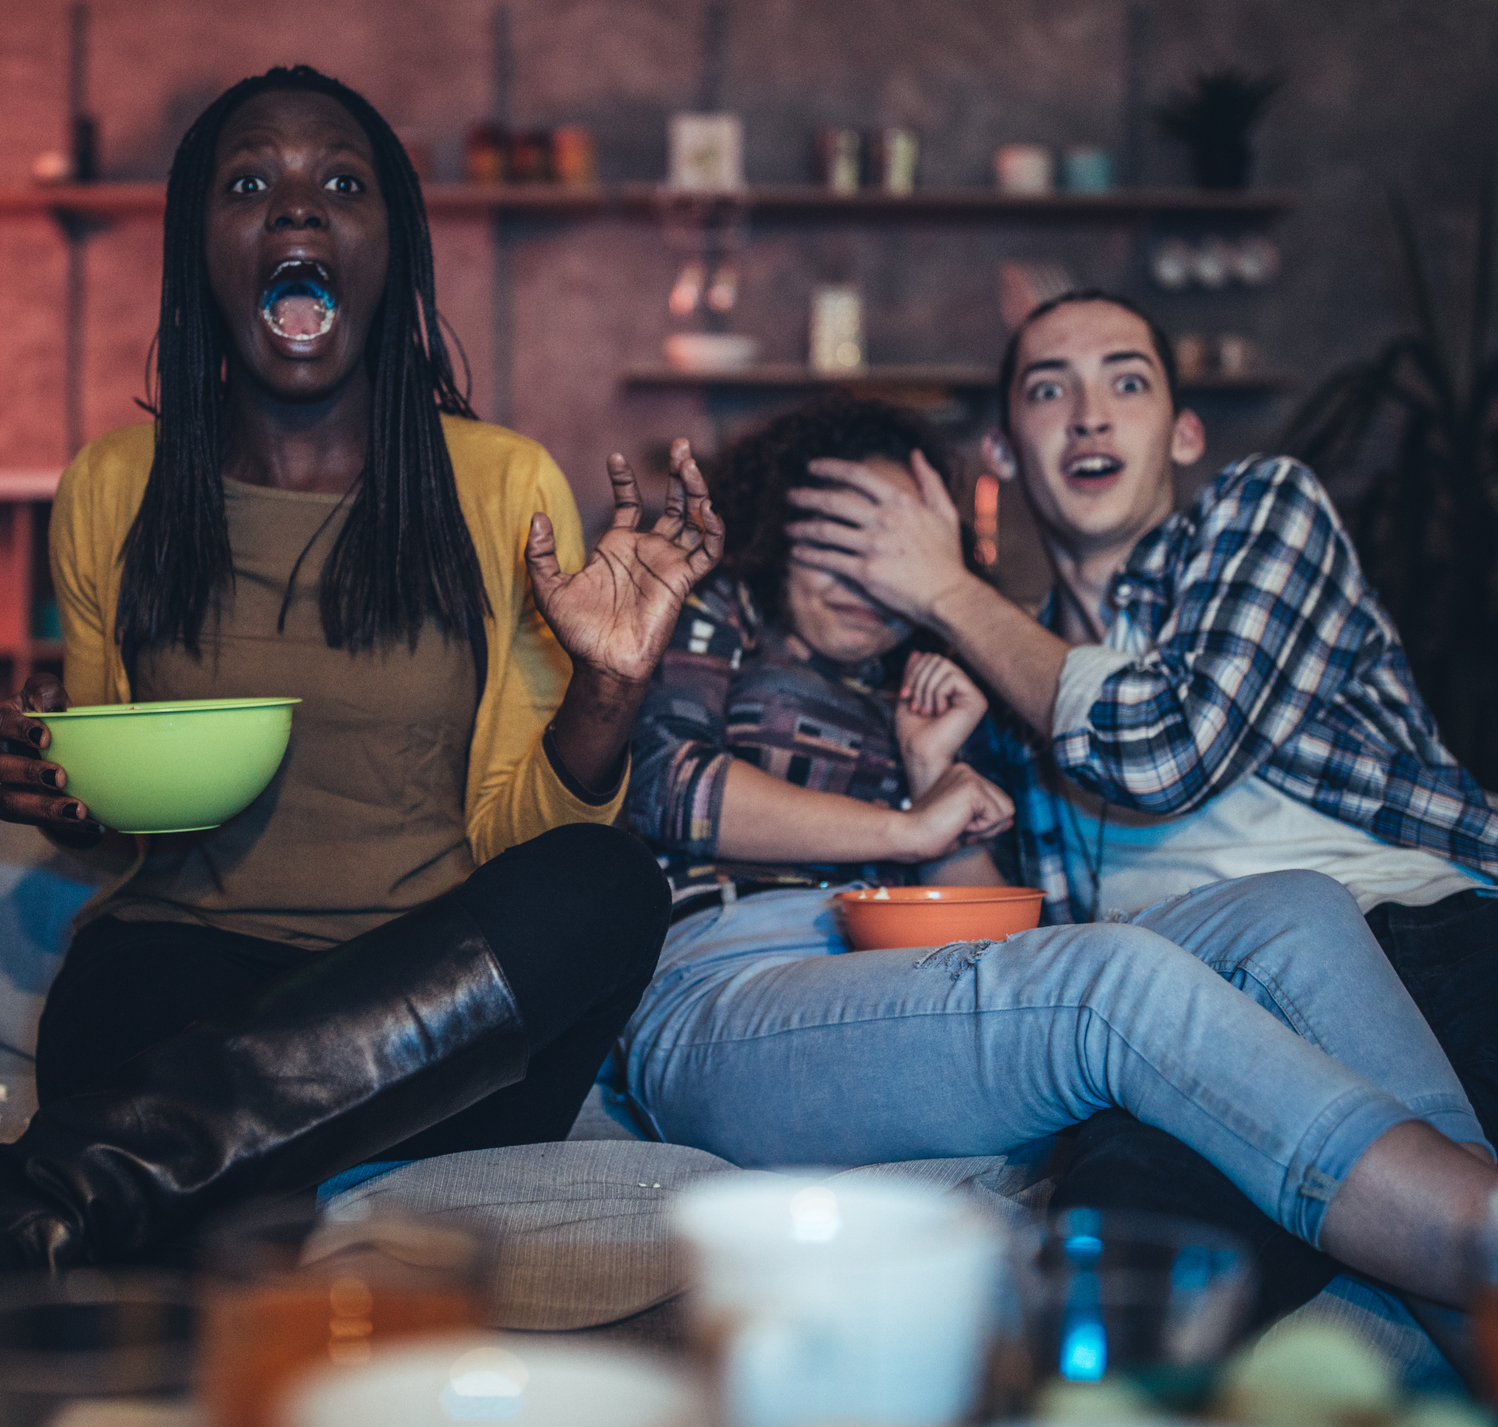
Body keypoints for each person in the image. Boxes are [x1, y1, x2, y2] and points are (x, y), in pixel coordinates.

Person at [0, 66, 721, 1425]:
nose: (298, 208)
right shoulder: (113, 489)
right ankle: (176, 1201)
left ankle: (33, 1218)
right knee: (132, 1025)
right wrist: (59, 785)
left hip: (447, 1003)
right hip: (177, 985)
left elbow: (531, 833)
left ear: (392, 247)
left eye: (342, 183)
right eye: (250, 183)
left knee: (608, 885)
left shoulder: (499, 483)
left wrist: (611, 686)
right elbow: (130, 804)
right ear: (199, 249)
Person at [613, 393, 1497, 1354]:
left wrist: (930, 771)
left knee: (1296, 907)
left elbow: (993, 942)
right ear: (776, 534)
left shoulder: (954, 678)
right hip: (729, 980)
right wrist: (904, 825)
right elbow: (664, 785)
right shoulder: (717, 613)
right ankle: (1471, 1232)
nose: (862, 574)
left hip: (899, 985)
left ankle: (1476, 1312)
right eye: (835, 539)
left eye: (887, 545)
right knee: (1109, 976)